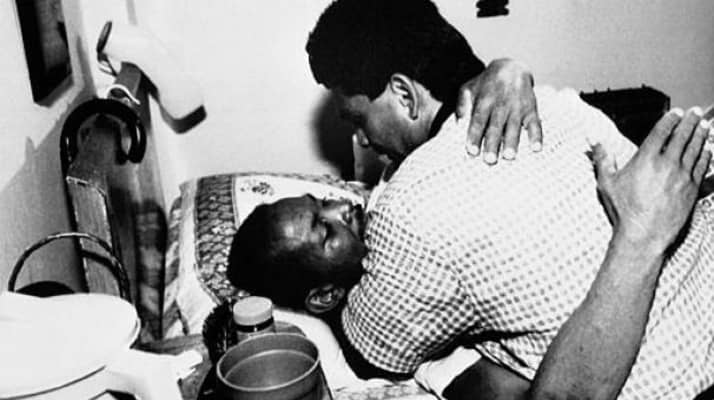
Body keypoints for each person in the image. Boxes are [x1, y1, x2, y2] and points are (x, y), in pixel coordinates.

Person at [229, 0, 714, 398]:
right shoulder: (555, 101)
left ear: (403, 94)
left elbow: (370, 352)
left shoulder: (410, 208)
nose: (363, 140)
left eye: (358, 119)